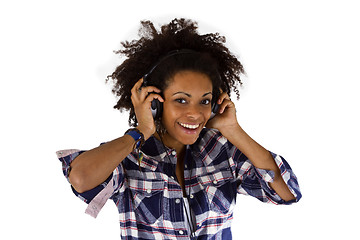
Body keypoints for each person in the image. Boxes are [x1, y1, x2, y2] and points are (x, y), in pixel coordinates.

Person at [57, 18, 301, 240]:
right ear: (154, 103)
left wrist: (233, 129)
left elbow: (287, 192)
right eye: (181, 100)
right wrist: (141, 130)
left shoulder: (222, 151)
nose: (195, 113)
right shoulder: (131, 156)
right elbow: (81, 179)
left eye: (204, 101)